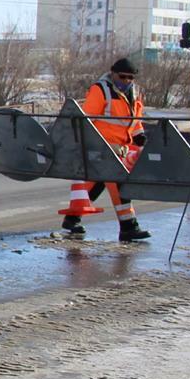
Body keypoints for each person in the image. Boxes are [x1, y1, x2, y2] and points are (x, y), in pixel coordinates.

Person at [60, 56, 151, 242]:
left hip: (119, 149)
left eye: (130, 78)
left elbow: (135, 120)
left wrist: (139, 135)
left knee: (96, 184)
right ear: (113, 73)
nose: (126, 81)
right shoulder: (100, 90)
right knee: (118, 184)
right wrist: (87, 144)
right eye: (122, 76)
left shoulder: (134, 93)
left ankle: (72, 219)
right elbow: (87, 119)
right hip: (102, 148)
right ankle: (128, 227)